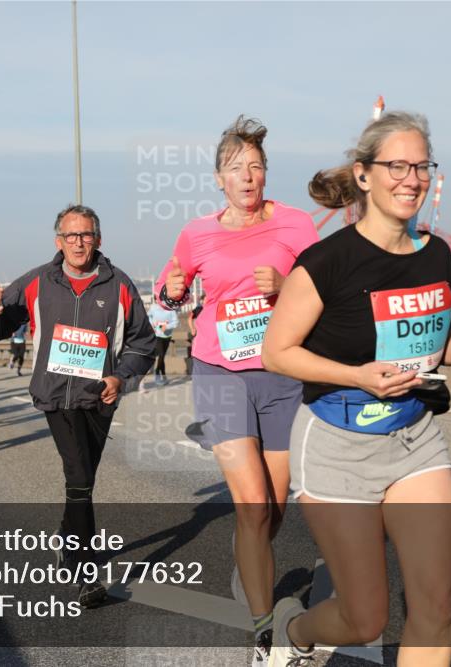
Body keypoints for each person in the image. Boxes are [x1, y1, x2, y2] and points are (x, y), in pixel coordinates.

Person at [260, 110, 451, 667]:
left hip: (414, 440)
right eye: (397, 165)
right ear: (364, 175)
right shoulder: (326, 261)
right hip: (336, 445)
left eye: (421, 166)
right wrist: (358, 375)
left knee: (436, 607)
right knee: (365, 618)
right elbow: (277, 352)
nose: (411, 178)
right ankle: (294, 632)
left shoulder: (437, 254)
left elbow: (431, 347)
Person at [154, 116, 317, 666]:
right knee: (250, 506)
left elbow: (326, 287)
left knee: (272, 508)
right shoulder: (198, 232)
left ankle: (248, 564)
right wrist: (172, 289)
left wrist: (290, 283)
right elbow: (168, 286)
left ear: (266, 174)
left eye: (256, 166)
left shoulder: (296, 226)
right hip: (219, 372)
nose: (247, 176)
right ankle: (264, 628)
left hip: (281, 375)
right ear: (219, 179)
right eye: (235, 168)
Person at [0, 204, 155, 609]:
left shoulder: (119, 284)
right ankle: (86, 573)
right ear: (59, 241)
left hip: (98, 399)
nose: (78, 242)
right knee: (80, 477)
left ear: (98, 239)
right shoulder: (38, 281)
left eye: (86, 235)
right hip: (55, 396)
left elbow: (145, 343)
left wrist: (120, 378)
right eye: (71, 236)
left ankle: (66, 540)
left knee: (82, 480)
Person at [146, 301, 179, 387]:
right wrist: (152, 325)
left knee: (162, 356)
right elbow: (148, 316)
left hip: (167, 336)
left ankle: (163, 375)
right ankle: (157, 374)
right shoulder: (154, 307)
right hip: (157, 335)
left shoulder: (171, 308)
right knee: (160, 355)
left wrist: (166, 326)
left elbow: (176, 322)